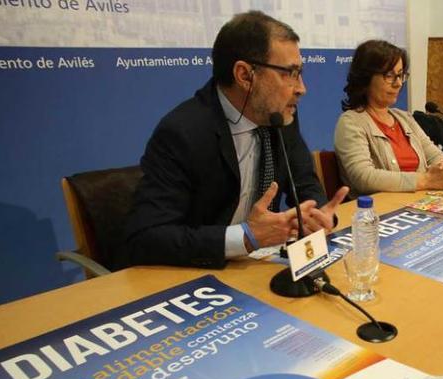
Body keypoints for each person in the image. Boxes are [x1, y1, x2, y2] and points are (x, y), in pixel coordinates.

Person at [124, 11, 348, 268]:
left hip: (258, 268)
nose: (301, 88)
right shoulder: (183, 132)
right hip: (200, 273)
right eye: (289, 73)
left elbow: (304, 181)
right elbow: (146, 237)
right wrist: (245, 237)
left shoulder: (279, 116)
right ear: (245, 75)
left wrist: (317, 215)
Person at [334, 40, 443, 197]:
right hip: (377, 213)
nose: (398, 83)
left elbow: (435, 155)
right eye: (389, 75)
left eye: (400, 75)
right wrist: (426, 180)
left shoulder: (404, 118)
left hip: (420, 203)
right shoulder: (351, 122)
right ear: (365, 78)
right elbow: (363, 178)